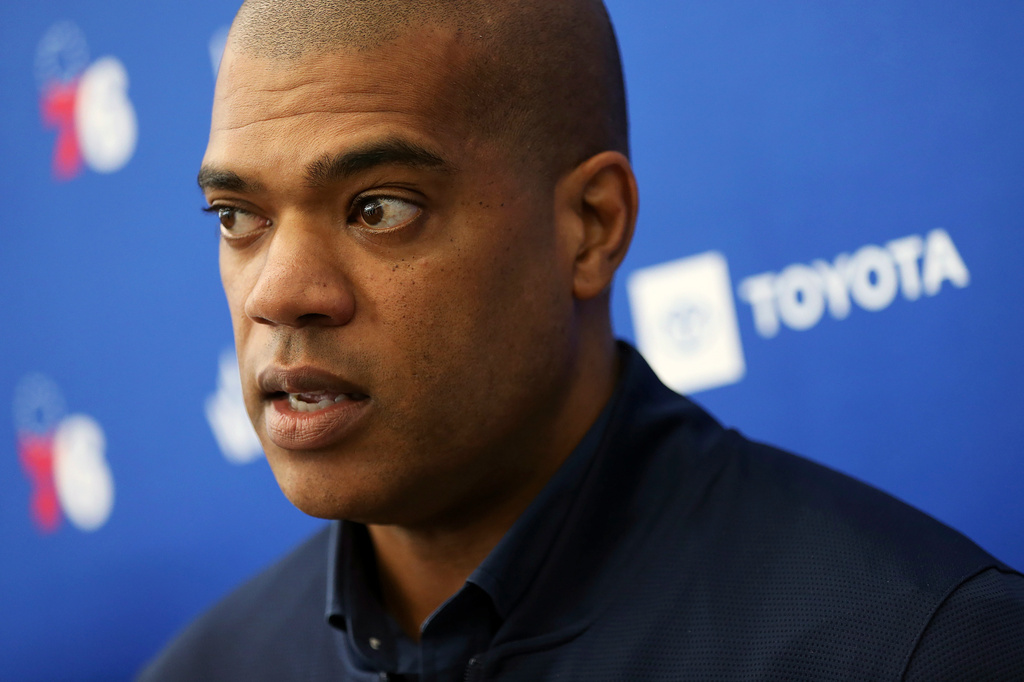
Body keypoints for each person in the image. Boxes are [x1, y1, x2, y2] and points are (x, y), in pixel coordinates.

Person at [141, 0, 1024, 679]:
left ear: (592, 227)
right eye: (238, 216)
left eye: (379, 209)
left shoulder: (917, 646)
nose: (277, 293)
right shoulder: (201, 671)